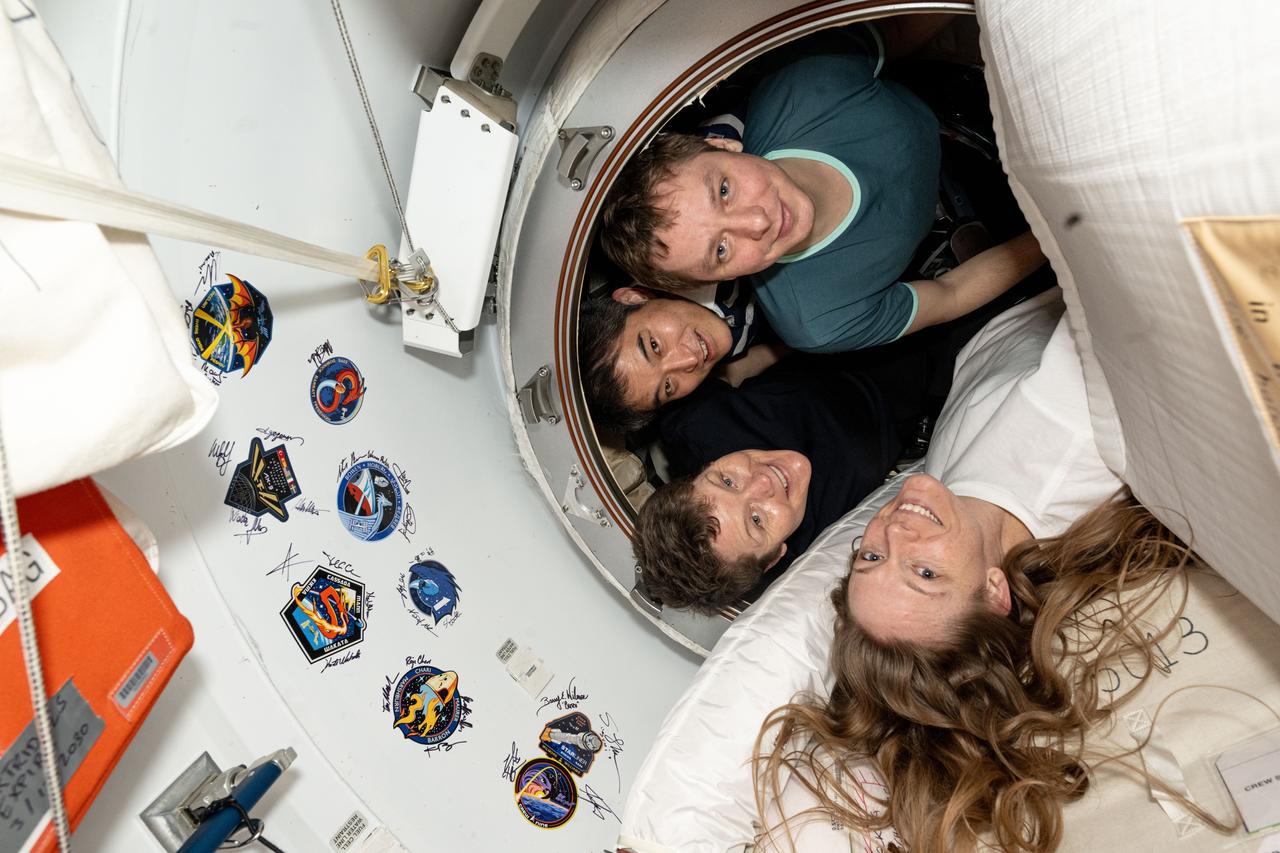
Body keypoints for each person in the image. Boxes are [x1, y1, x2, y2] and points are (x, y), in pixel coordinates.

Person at [751, 289, 1205, 851]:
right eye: (923, 573)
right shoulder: (1069, 438)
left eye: (869, 558)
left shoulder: (951, 509)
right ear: (995, 591)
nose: (894, 532)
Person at [599, 22, 1046, 353]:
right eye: (720, 251)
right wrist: (1054, 239)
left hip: (950, 96)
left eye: (723, 192)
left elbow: (903, 29)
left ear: (722, 145)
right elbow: (950, 295)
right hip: (976, 204)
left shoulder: (804, 81)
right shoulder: (816, 320)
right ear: (723, 281)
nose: (757, 222)